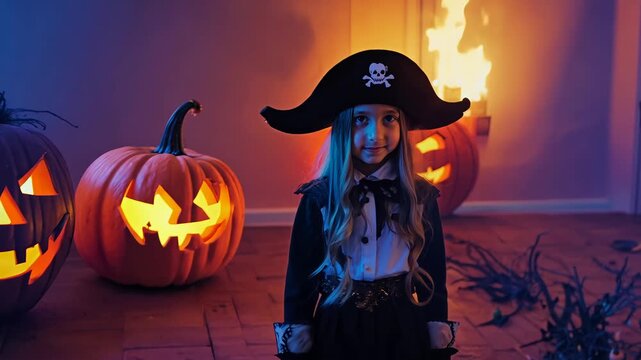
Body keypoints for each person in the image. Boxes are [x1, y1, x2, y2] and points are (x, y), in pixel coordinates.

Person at [260, 49, 470, 360]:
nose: (376, 134)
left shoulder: (421, 197)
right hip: (337, 324)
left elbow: (433, 273)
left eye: (389, 119)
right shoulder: (319, 199)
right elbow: (301, 275)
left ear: (403, 125)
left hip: (403, 325)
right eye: (361, 119)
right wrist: (298, 330)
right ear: (343, 128)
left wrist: (435, 328)